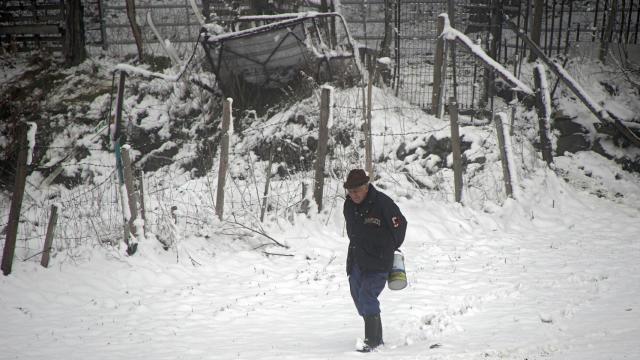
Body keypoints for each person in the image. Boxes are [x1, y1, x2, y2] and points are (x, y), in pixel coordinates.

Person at [343, 169, 407, 352]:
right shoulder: (348, 205)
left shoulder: (383, 203)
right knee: (358, 297)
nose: (353, 195)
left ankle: (372, 340)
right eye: (350, 191)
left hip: (379, 261)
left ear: (366, 187)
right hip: (357, 258)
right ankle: (376, 335)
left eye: (356, 191)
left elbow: (400, 226)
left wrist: (387, 248)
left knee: (367, 295)